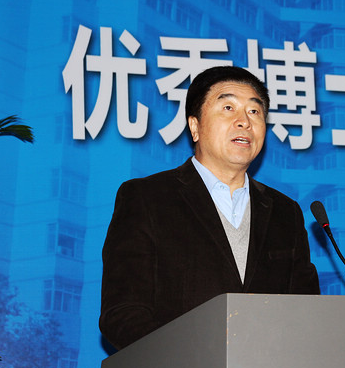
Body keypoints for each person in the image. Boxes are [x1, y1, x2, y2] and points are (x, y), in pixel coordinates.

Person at [99, 66, 320, 350]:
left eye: (254, 111)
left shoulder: (285, 213)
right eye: (228, 108)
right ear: (195, 126)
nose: (244, 122)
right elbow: (123, 312)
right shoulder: (147, 198)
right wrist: (192, 358)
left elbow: (306, 312)